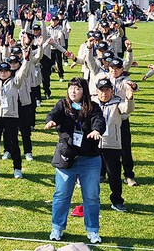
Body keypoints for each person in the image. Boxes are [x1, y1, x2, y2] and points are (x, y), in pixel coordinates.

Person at [44, 78, 106, 244]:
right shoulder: (62, 105)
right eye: (71, 88)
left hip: (90, 159)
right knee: (62, 194)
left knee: (92, 196)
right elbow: (53, 114)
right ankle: (57, 227)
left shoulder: (93, 107)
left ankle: (93, 230)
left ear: (84, 91)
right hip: (67, 158)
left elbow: (99, 121)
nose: (73, 91)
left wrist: (96, 130)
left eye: (77, 88)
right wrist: (50, 121)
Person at [94, 77, 134, 212]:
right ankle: (92, 200)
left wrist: (129, 98)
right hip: (93, 143)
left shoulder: (117, 102)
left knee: (114, 174)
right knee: (91, 174)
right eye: (101, 90)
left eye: (107, 90)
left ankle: (117, 201)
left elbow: (127, 110)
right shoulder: (92, 102)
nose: (104, 93)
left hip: (111, 143)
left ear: (112, 91)